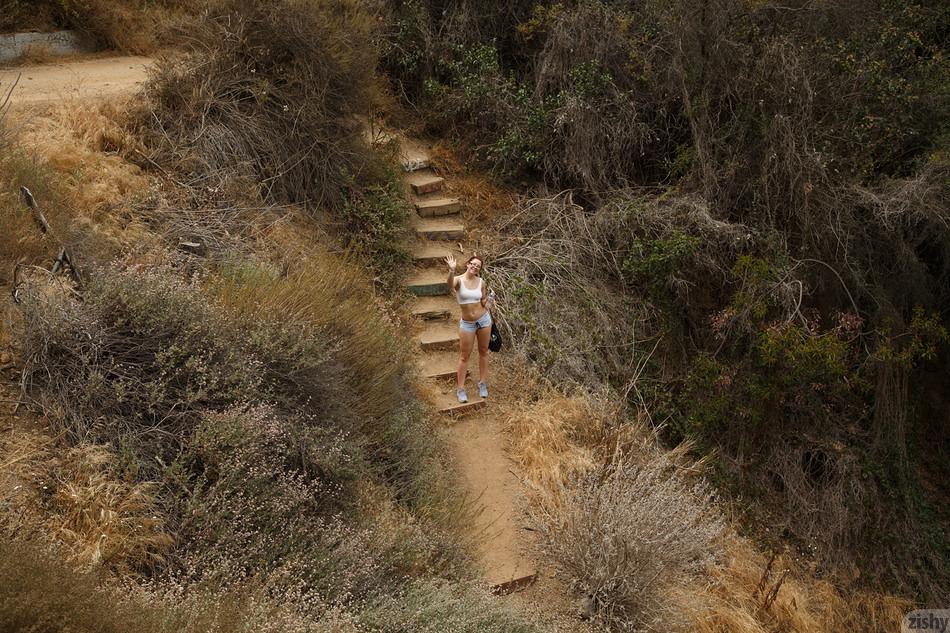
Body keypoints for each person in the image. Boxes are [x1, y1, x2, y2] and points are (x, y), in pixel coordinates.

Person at [445, 254, 494, 403]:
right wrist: (451, 270)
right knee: (464, 356)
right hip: (467, 323)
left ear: (479, 270)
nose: (474, 267)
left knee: (483, 352)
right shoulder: (459, 280)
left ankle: (482, 383)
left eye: (478, 266)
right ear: (467, 264)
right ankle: (460, 389)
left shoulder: (481, 282)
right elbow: (449, 285)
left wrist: (490, 301)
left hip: (484, 320)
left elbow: (483, 301)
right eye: (473, 264)